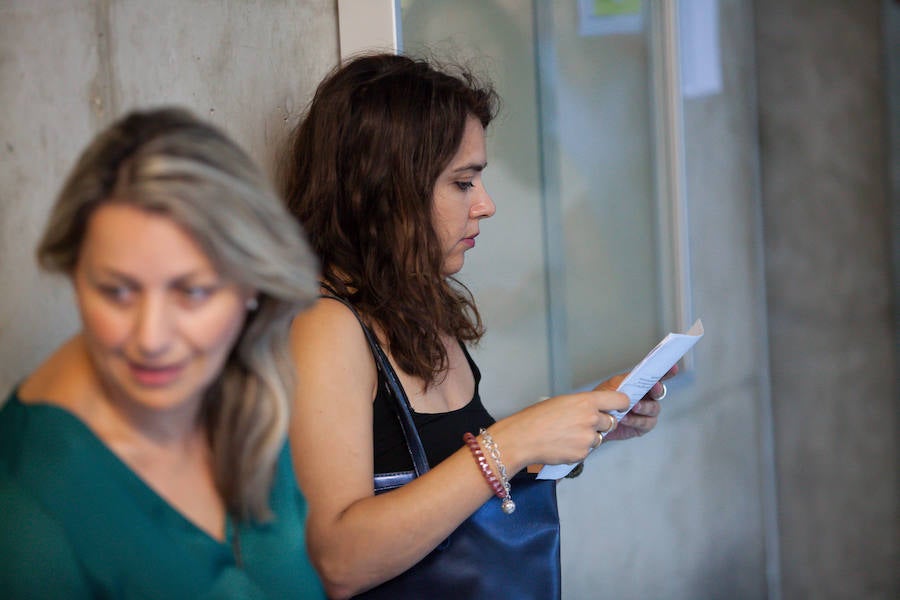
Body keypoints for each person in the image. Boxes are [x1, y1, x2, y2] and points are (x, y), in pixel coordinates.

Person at [281, 53, 677, 599]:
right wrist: (513, 440)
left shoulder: (422, 308)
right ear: (385, 188)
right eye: (463, 183)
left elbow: (452, 482)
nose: (486, 205)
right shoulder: (325, 328)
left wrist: (584, 423)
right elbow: (339, 561)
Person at [0, 107, 325, 599]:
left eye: (192, 292)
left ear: (253, 284)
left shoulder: (244, 385)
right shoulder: (30, 511)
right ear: (75, 278)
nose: (151, 339)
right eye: (116, 291)